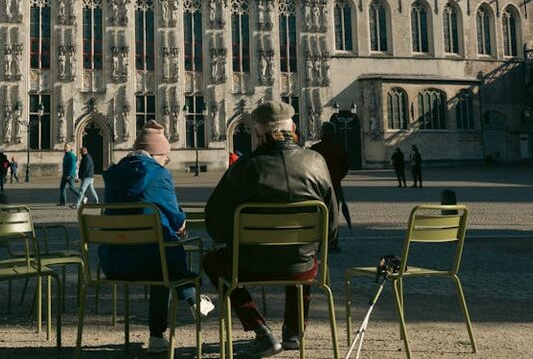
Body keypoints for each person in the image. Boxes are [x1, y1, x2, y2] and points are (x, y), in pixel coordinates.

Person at [203, 101, 338, 356]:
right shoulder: (316, 162)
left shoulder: (243, 167)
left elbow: (215, 222)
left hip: (249, 264)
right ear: (293, 128)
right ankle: (294, 333)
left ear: (257, 133)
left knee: (212, 261)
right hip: (301, 265)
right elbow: (330, 226)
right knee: (305, 255)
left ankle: (260, 330)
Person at [100, 121, 214, 353]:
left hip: (115, 262)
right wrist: (181, 225)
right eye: (166, 158)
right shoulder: (159, 174)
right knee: (164, 249)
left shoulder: (113, 175)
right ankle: (191, 297)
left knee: (156, 248)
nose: (166, 162)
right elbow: (175, 217)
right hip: (155, 263)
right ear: (158, 154)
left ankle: (158, 336)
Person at [311, 122, 352, 239]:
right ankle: (333, 241)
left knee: (319, 213)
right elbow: (346, 166)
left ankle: (320, 240)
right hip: (334, 184)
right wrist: (338, 177)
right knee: (334, 213)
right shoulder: (339, 148)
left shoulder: (315, 149)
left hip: (318, 186)